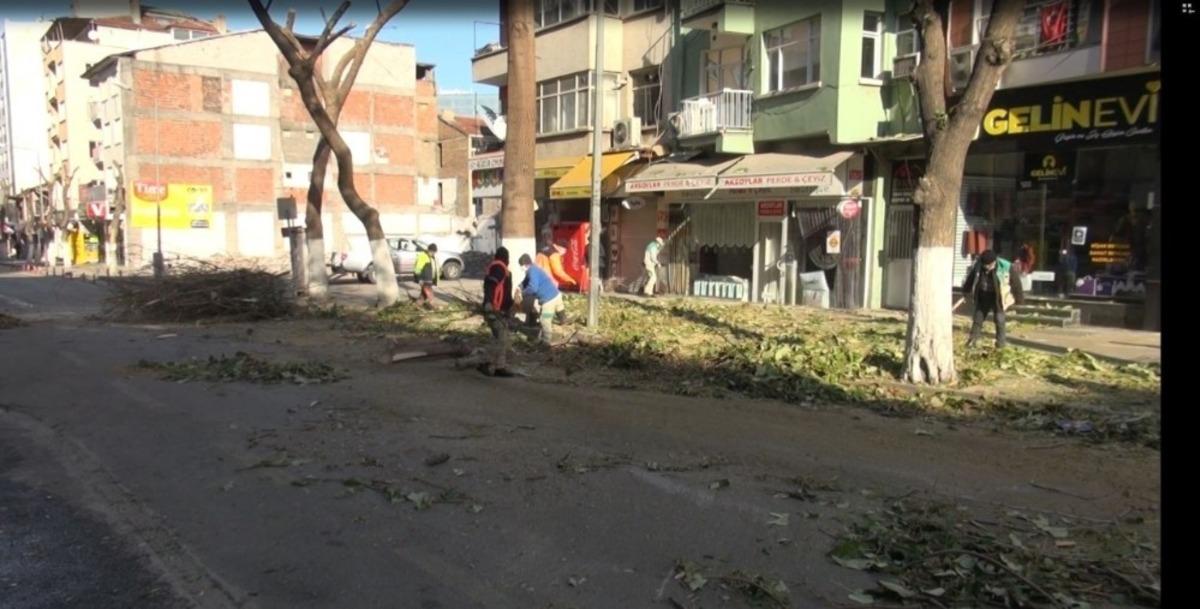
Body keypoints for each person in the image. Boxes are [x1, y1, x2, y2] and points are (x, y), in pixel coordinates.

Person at [962, 250, 1024, 349]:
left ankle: (1000, 344)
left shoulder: (1006, 266)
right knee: (978, 319)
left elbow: (1016, 283)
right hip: (983, 296)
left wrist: (1019, 299)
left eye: (989, 265)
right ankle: (973, 341)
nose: (986, 268)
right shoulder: (979, 265)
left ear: (994, 262)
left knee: (999, 320)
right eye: (984, 265)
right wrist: (966, 291)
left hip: (998, 297)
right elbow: (971, 278)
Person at [479, 247, 515, 377]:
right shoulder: (498, 268)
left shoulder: (502, 270)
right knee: (501, 339)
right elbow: (490, 285)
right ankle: (485, 362)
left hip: (500, 310)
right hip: (494, 309)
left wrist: (509, 307)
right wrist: (489, 303)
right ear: (506, 258)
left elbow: (505, 292)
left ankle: (499, 366)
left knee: (501, 338)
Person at [518, 253, 565, 345]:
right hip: (556, 295)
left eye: (521, 266)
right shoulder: (533, 269)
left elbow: (533, 288)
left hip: (549, 301)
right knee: (554, 311)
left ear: (525, 264)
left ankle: (546, 342)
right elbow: (526, 281)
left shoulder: (532, 271)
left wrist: (522, 293)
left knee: (544, 320)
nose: (521, 268)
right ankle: (563, 319)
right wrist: (519, 287)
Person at [413, 243, 439, 309]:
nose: (433, 253)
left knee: (424, 295)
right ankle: (434, 307)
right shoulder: (423, 256)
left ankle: (417, 305)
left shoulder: (432, 257)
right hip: (424, 280)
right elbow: (417, 269)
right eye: (432, 252)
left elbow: (434, 269)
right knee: (429, 294)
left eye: (434, 252)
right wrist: (419, 279)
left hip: (430, 280)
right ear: (428, 250)